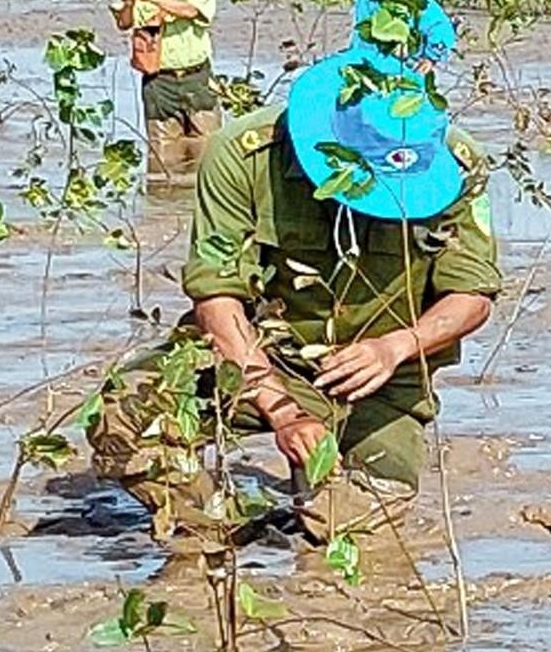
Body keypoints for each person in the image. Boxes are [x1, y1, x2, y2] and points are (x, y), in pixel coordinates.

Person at [94, 47, 501, 540]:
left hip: (381, 377)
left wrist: (394, 348)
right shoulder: (245, 156)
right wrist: (282, 409)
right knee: (126, 415)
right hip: (265, 353)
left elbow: (472, 292)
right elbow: (217, 299)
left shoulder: (458, 164)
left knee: (350, 535)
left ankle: (312, 506)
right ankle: (216, 536)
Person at [112, 0, 223, 180]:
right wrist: (129, 2)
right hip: (158, 81)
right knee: (162, 156)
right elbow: (124, 23)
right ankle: (163, 210)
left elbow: (189, 11)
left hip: (197, 79)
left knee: (207, 148)